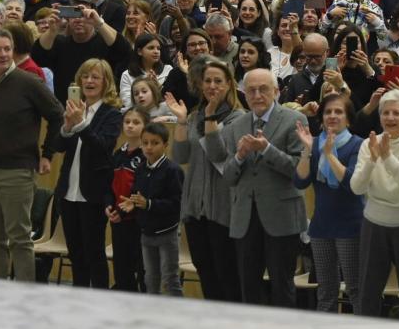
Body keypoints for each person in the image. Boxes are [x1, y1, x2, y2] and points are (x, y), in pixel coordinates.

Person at [205, 68, 309, 308]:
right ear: (244, 93)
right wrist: (240, 155)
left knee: (282, 286)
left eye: (263, 89)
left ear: (276, 91)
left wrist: (266, 149)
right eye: (251, 90)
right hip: (244, 217)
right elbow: (229, 177)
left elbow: (298, 171)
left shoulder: (295, 121)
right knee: (248, 287)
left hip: (281, 217)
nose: (257, 94)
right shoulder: (236, 125)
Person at [0, 27, 63, 282]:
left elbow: (57, 115)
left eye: (7, 49)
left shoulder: (29, 82)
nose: (3, 54)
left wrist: (47, 155)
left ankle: (23, 297)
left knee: (19, 238)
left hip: (18, 170)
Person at [350, 88, 399, 321]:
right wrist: (373, 159)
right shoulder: (368, 145)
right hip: (374, 223)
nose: (390, 118)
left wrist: (387, 158)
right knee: (368, 292)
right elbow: (357, 187)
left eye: (397, 113)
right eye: (386, 113)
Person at [167, 59, 244, 302]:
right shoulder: (195, 115)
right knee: (206, 272)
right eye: (207, 81)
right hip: (195, 208)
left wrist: (210, 119)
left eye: (218, 81)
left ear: (229, 84)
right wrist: (181, 121)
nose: (212, 86)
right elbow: (180, 156)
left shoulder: (237, 118)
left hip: (222, 208)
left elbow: (218, 155)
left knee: (226, 274)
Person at [293, 93, 365, 313]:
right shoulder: (314, 144)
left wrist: (329, 155)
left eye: (338, 111)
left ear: (349, 118)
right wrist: (307, 149)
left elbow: (352, 182)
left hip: (351, 228)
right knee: (325, 291)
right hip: (321, 227)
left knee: (355, 289)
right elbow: (300, 181)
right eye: (328, 112)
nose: (332, 116)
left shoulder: (358, 144)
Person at [54, 58, 120, 288]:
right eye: (85, 76)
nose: (89, 81)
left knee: (94, 254)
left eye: (95, 77)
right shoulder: (74, 108)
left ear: (106, 82)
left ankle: (98, 301)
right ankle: (78, 298)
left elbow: (102, 148)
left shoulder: (112, 114)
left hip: (92, 194)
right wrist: (67, 127)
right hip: (68, 191)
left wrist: (81, 124)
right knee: (75, 254)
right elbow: (59, 147)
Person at [120, 121, 184, 296]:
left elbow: (176, 203)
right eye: (145, 142)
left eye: (155, 143)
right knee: (150, 278)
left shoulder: (172, 170)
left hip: (167, 232)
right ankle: (152, 315)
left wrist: (148, 204)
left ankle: (179, 317)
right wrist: (132, 203)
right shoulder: (140, 168)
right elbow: (136, 194)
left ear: (165, 145)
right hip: (146, 232)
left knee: (170, 279)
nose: (149, 147)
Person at [106, 107, 149, 292]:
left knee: (141, 267)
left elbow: (143, 190)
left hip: (137, 221)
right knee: (121, 266)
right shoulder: (118, 154)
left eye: (136, 122)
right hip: (117, 219)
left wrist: (125, 211)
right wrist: (109, 205)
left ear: (146, 126)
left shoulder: (146, 156)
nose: (130, 126)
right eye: (127, 122)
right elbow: (108, 184)